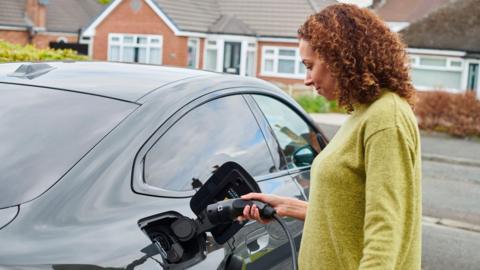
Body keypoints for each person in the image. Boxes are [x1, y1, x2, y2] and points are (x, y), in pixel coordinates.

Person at [239, 4, 421, 270]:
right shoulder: (363, 113)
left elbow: (385, 228)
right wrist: (289, 206)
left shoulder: (385, 118)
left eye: (309, 66)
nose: (307, 80)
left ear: (340, 57)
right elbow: (350, 215)